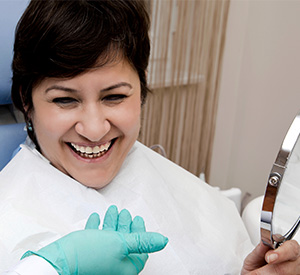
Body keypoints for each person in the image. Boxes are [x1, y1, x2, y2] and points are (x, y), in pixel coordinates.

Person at [0, 0, 299, 274]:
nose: (94, 130)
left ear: (141, 91)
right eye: (65, 100)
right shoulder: (10, 217)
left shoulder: (147, 164)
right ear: (27, 101)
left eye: (115, 96)